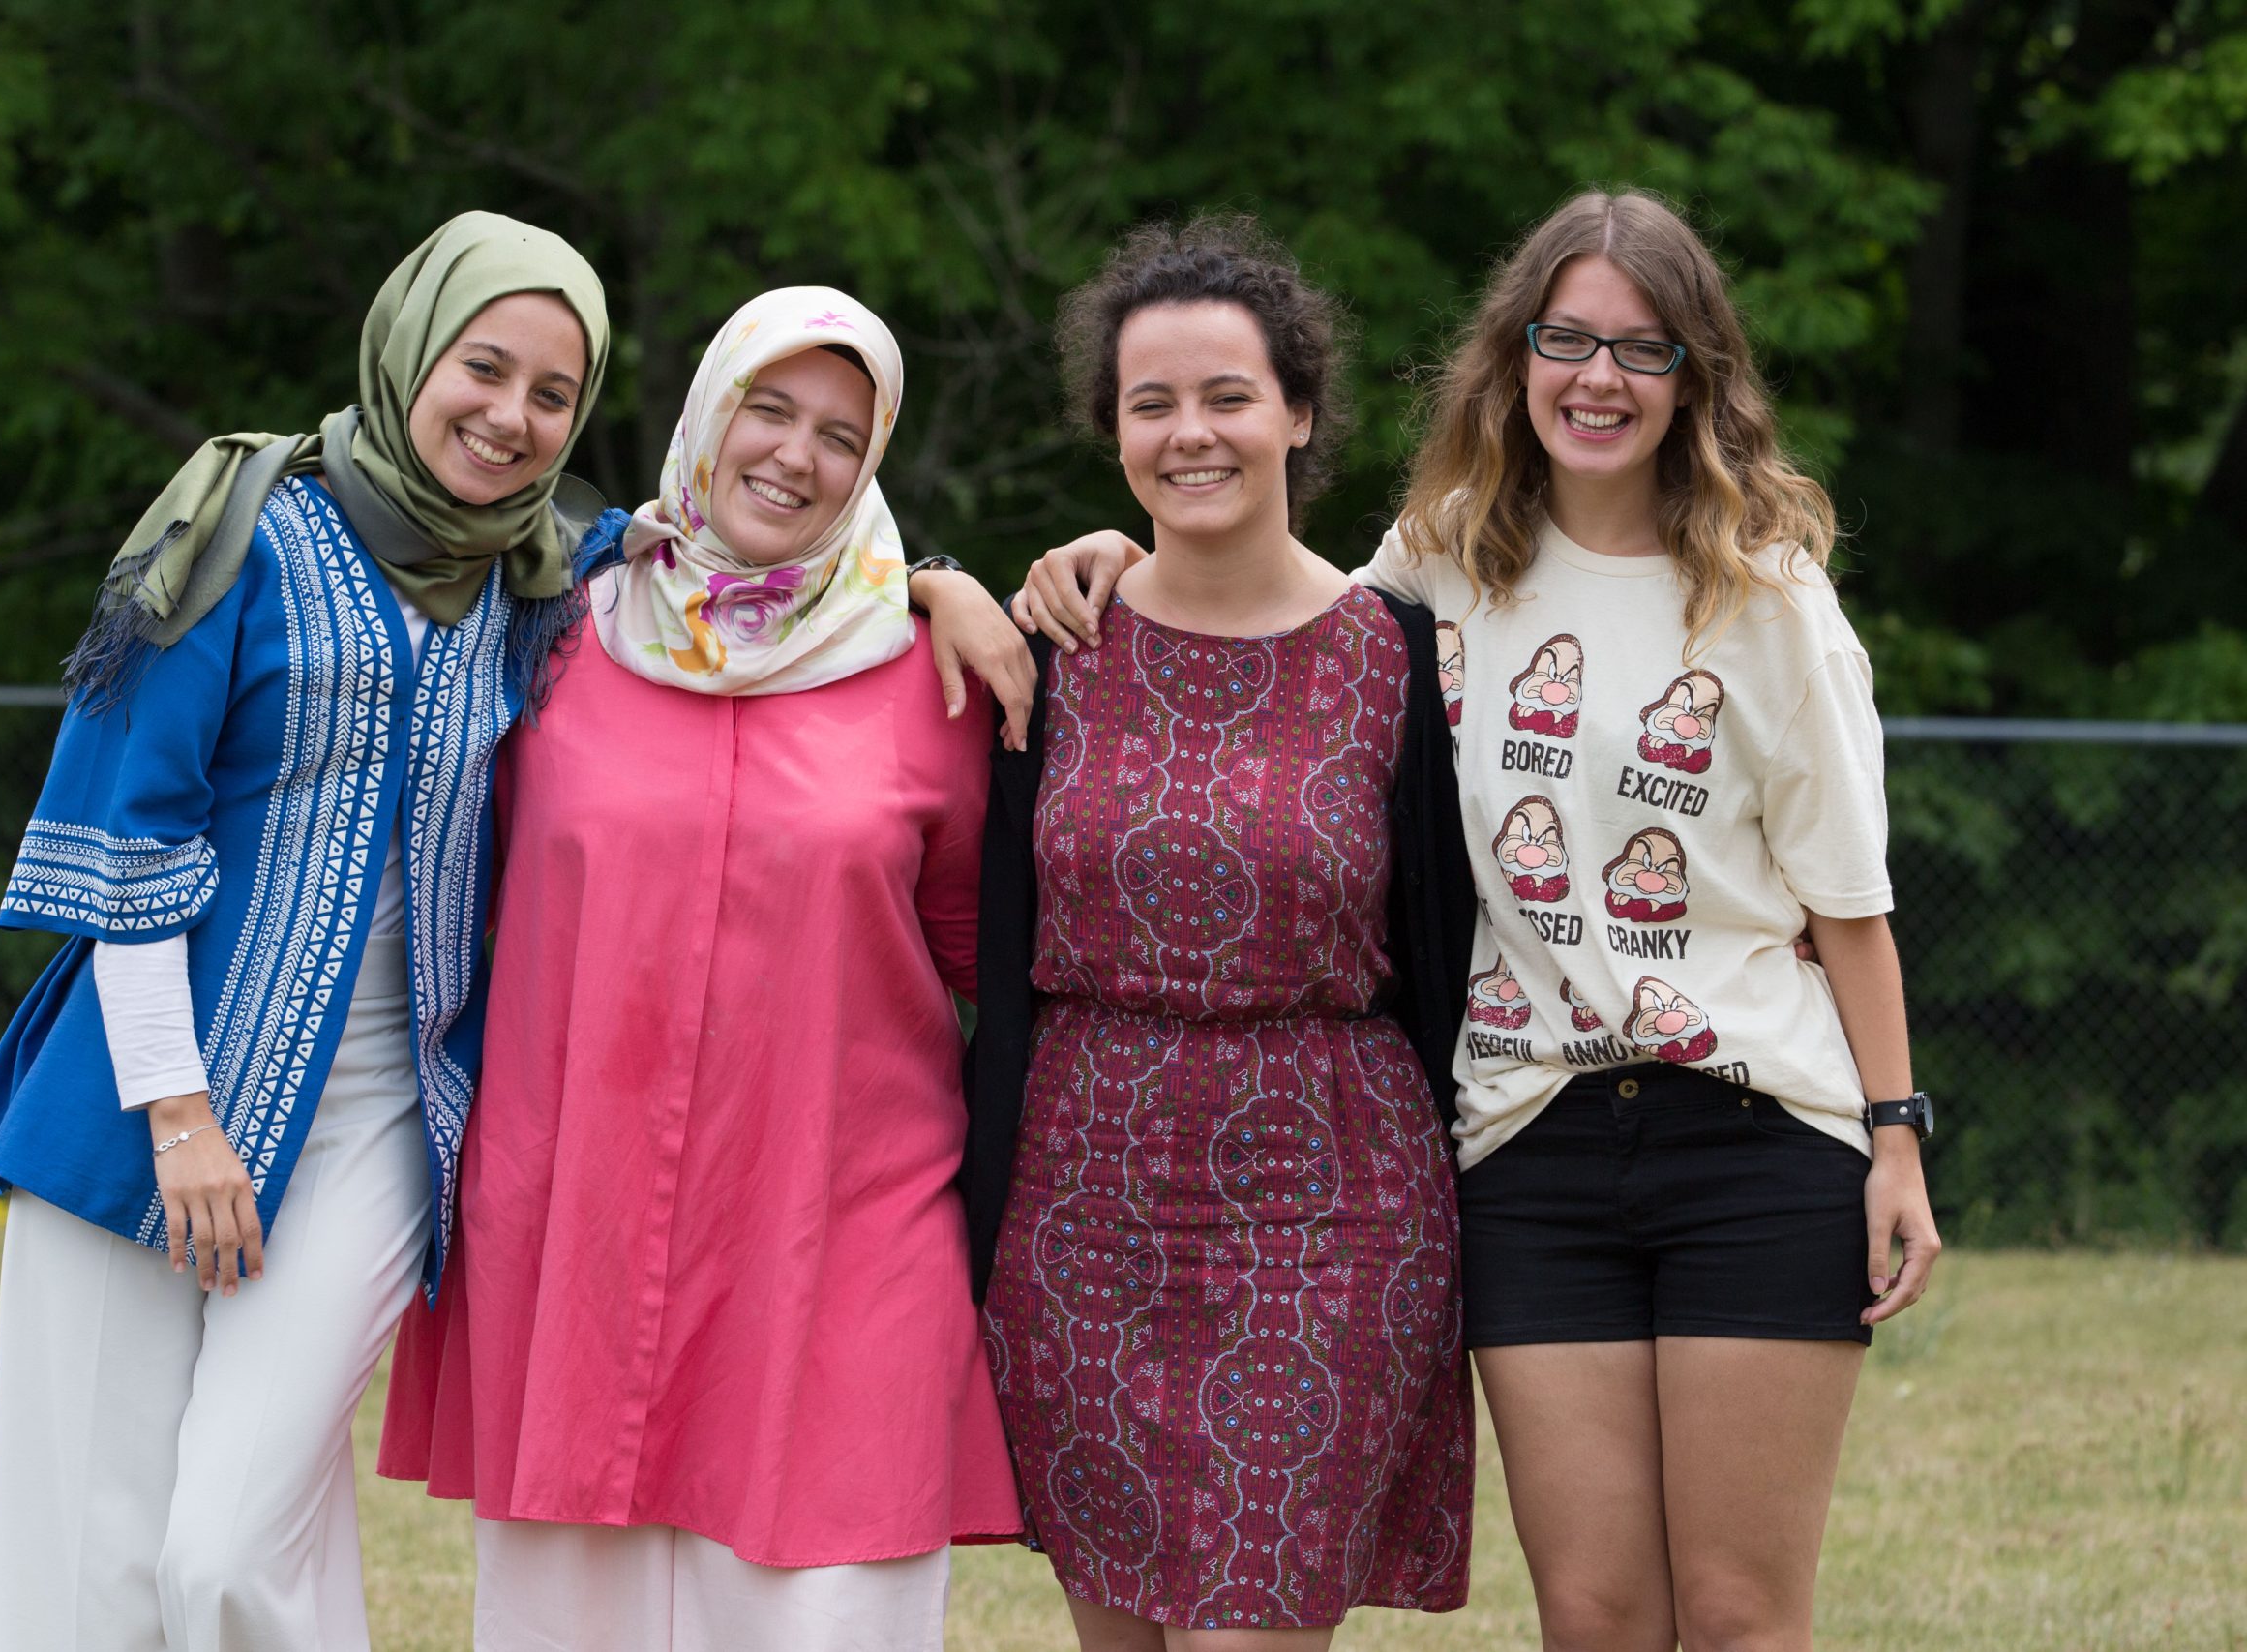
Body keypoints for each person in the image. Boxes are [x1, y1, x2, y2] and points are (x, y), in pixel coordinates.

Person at [1014, 187, 1942, 1652]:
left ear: (1695, 378)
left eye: (1642, 351)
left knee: (1743, 1611)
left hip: (1755, 1132)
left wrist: (1898, 1133)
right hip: (1528, 1136)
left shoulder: (1771, 599)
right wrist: (1097, 561)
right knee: (1593, 1611)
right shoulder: (1438, 567)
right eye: (1566, 339)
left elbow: (1852, 907)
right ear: (1515, 359)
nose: (1599, 378)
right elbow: (1254, 597)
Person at [0, 211, 612, 1651]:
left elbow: (770, 561)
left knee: (239, 1547)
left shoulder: (559, 577)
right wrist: (179, 1114)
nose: (509, 417)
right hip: (150, 1093)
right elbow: (132, 829)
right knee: (84, 1567)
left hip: (380, 1114)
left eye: (551, 395)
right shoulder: (237, 527)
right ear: (407, 350)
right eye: (481, 367)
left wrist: (941, 584)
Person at [378, 285, 1024, 1652]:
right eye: (769, 411)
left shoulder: (936, 674)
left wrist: (955, 580)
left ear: (876, 464)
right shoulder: (556, 633)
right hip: (580, 1235)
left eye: (842, 436)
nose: (796, 455)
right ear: (706, 418)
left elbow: (997, 959)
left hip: (841, 1237)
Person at [965, 217, 1476, 1651]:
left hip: (1329, 1208)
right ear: (1114, 433)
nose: (1192, 433)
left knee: (1249, 1629)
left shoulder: (1403, 653)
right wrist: (945, 570)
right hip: (1080, 1207)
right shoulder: (1051, 643)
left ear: (1300, 414)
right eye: (1153, 403)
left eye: (1228, 396)